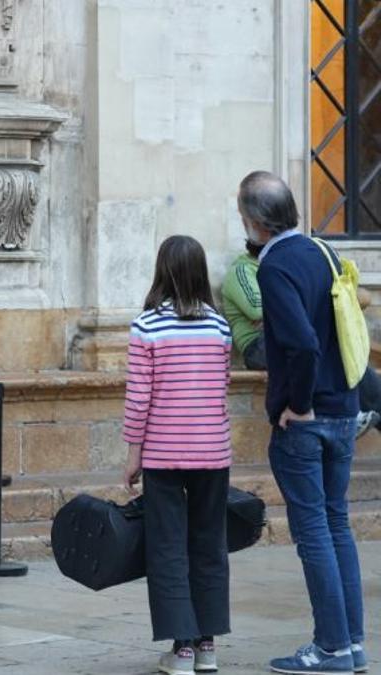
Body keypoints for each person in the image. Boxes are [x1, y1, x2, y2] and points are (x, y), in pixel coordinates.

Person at [238, 171, 366, 675]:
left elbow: (304, 344)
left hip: (310, 420)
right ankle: (351, 645)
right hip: (344, 410)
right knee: (337, 526)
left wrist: (298, 403)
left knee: (314, 531)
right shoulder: (323, 252)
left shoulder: (275, 266)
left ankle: (331, 648)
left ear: (254, 221)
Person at [122, 235, 233, 675]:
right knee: (210, 545)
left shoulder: (147, 326)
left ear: (162, 271)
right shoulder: (220, 326)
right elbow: (219, 388)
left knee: (167, 548)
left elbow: (139, 399)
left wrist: (133, 454)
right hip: (213, 452)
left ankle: (181, 650)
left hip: (163, 453)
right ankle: (207, 646)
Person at [222, 239, 381, 437]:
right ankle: (347, 415)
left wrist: (290, 309)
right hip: (259, 345)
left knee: (344, 354)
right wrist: (297, 308)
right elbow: (256, 309)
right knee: (316, 346)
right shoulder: (243, 270)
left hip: (293, 334)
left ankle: (352, 413)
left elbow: (345, 297)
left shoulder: (289, 266)